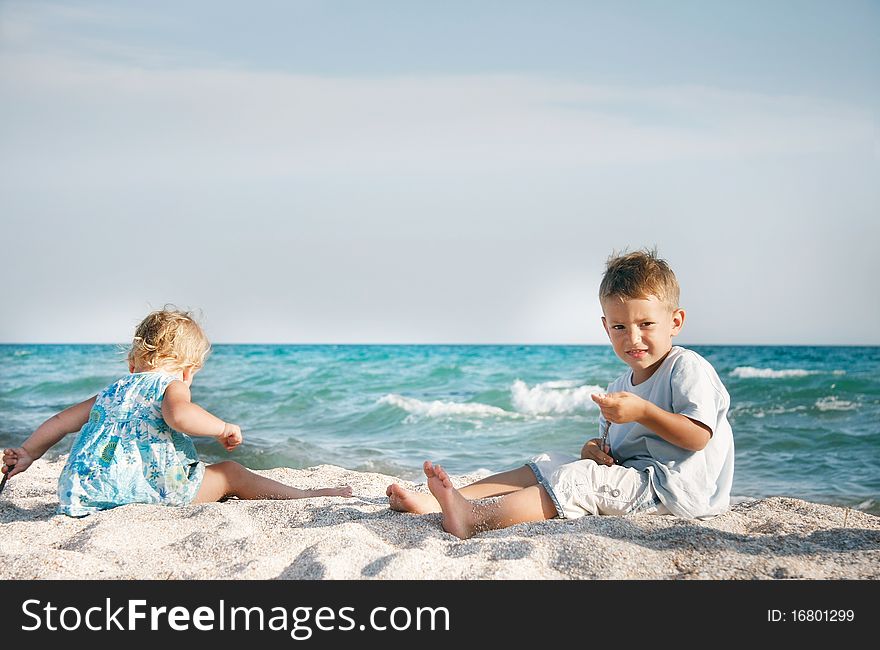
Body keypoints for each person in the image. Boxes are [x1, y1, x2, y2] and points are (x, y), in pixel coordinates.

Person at [386, 249, 734, 539]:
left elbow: (698, 436)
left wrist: (643, 413)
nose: (633, 338)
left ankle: (474, 518)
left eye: (646, 324)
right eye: (619, 327)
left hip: (677, 492)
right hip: (634, 479)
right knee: (551, 462)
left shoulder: (686, 368)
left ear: (675, 322)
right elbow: (612, 453)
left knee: (577, 479)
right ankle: (448, 501)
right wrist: (594, 450)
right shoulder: (619, 387)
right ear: (605, 327)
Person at [2, 308, 352, 516]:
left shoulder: (110, 392)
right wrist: (222, 427)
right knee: (230, 472)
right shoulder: (172, 384)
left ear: (131, 363)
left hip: (82, 493)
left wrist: (29, 452)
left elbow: (61, 421)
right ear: (187, 370)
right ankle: (305, 496)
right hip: (146, 492)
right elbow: (179, 417)